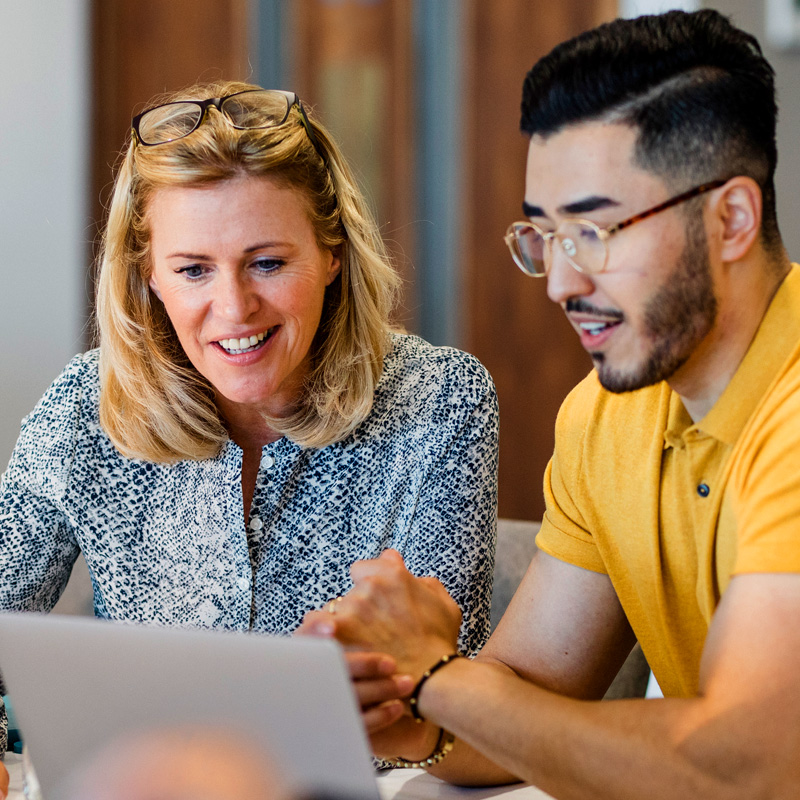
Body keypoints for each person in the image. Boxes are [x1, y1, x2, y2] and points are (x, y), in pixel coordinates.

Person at [300, 10, 800, 798]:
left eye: (596, 232)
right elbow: (528, 700)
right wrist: (397, 707)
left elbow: (745, 764)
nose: (563, 284)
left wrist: (436, 677)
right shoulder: (607, 414)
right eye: (545, 237)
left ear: (731, 218)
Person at [0, 82, 498, 756]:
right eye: (193, 270)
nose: (233, 309)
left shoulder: (442, 400)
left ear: (332, 254)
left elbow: (445, 706)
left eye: (266, 263)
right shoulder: (87, 406)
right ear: (147, 274)